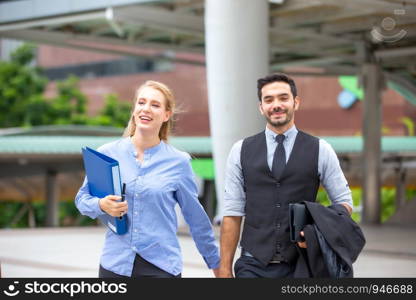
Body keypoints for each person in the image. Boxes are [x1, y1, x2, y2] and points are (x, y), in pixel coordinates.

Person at [75, 80, 220, 278]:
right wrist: (101, 204)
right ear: (134, 109)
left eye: (155, 105)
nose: (146, 109)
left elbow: (196, 218)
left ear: (167, 115)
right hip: (115, 265)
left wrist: (216, 264)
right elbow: (82, 199)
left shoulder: (178, 162)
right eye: (141, 102)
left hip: (161, 267)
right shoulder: (107, 153)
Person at [218, 73, 353, 278]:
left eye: (283, 98)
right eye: (269, 100)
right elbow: (232, 213)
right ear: (261, 107)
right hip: (252, 265)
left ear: (295, 102)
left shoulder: (320, 149)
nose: (276, 105)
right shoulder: (240, 150)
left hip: (302, 265)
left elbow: (344, 204)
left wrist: (317, 233)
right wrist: (225, 269)